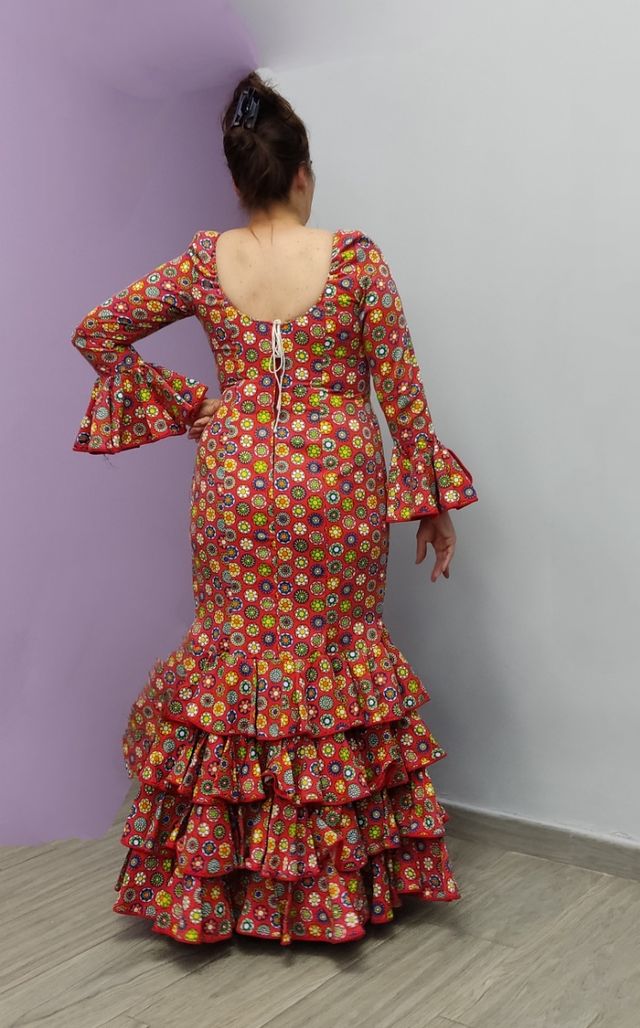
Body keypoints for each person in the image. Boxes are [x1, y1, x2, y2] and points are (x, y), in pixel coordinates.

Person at [71, 70, 478, 946]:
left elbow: (95, 330)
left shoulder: (201, 262)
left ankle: (227, 880)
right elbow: (402, 394)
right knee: (332, 654)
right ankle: (332, 880)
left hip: (236, 483)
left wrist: (196, 409)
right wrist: (432, 505)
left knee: (240, 654)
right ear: (302, 174)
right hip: (337, 484)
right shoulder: (356, 260)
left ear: (237, 179)